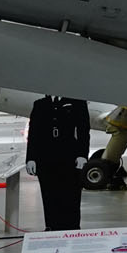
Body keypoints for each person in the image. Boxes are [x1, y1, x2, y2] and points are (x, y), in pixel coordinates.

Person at [26, 95, 93, 231]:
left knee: (71, 195)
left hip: (69, 157)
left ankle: (72, 227)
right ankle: (51, 226)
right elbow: (33, 133)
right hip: (45, 158)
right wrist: (31, 158)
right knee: (49, 195)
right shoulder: (40, 104)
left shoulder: (77, 102)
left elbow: (83, 130)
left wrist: (82, 155)